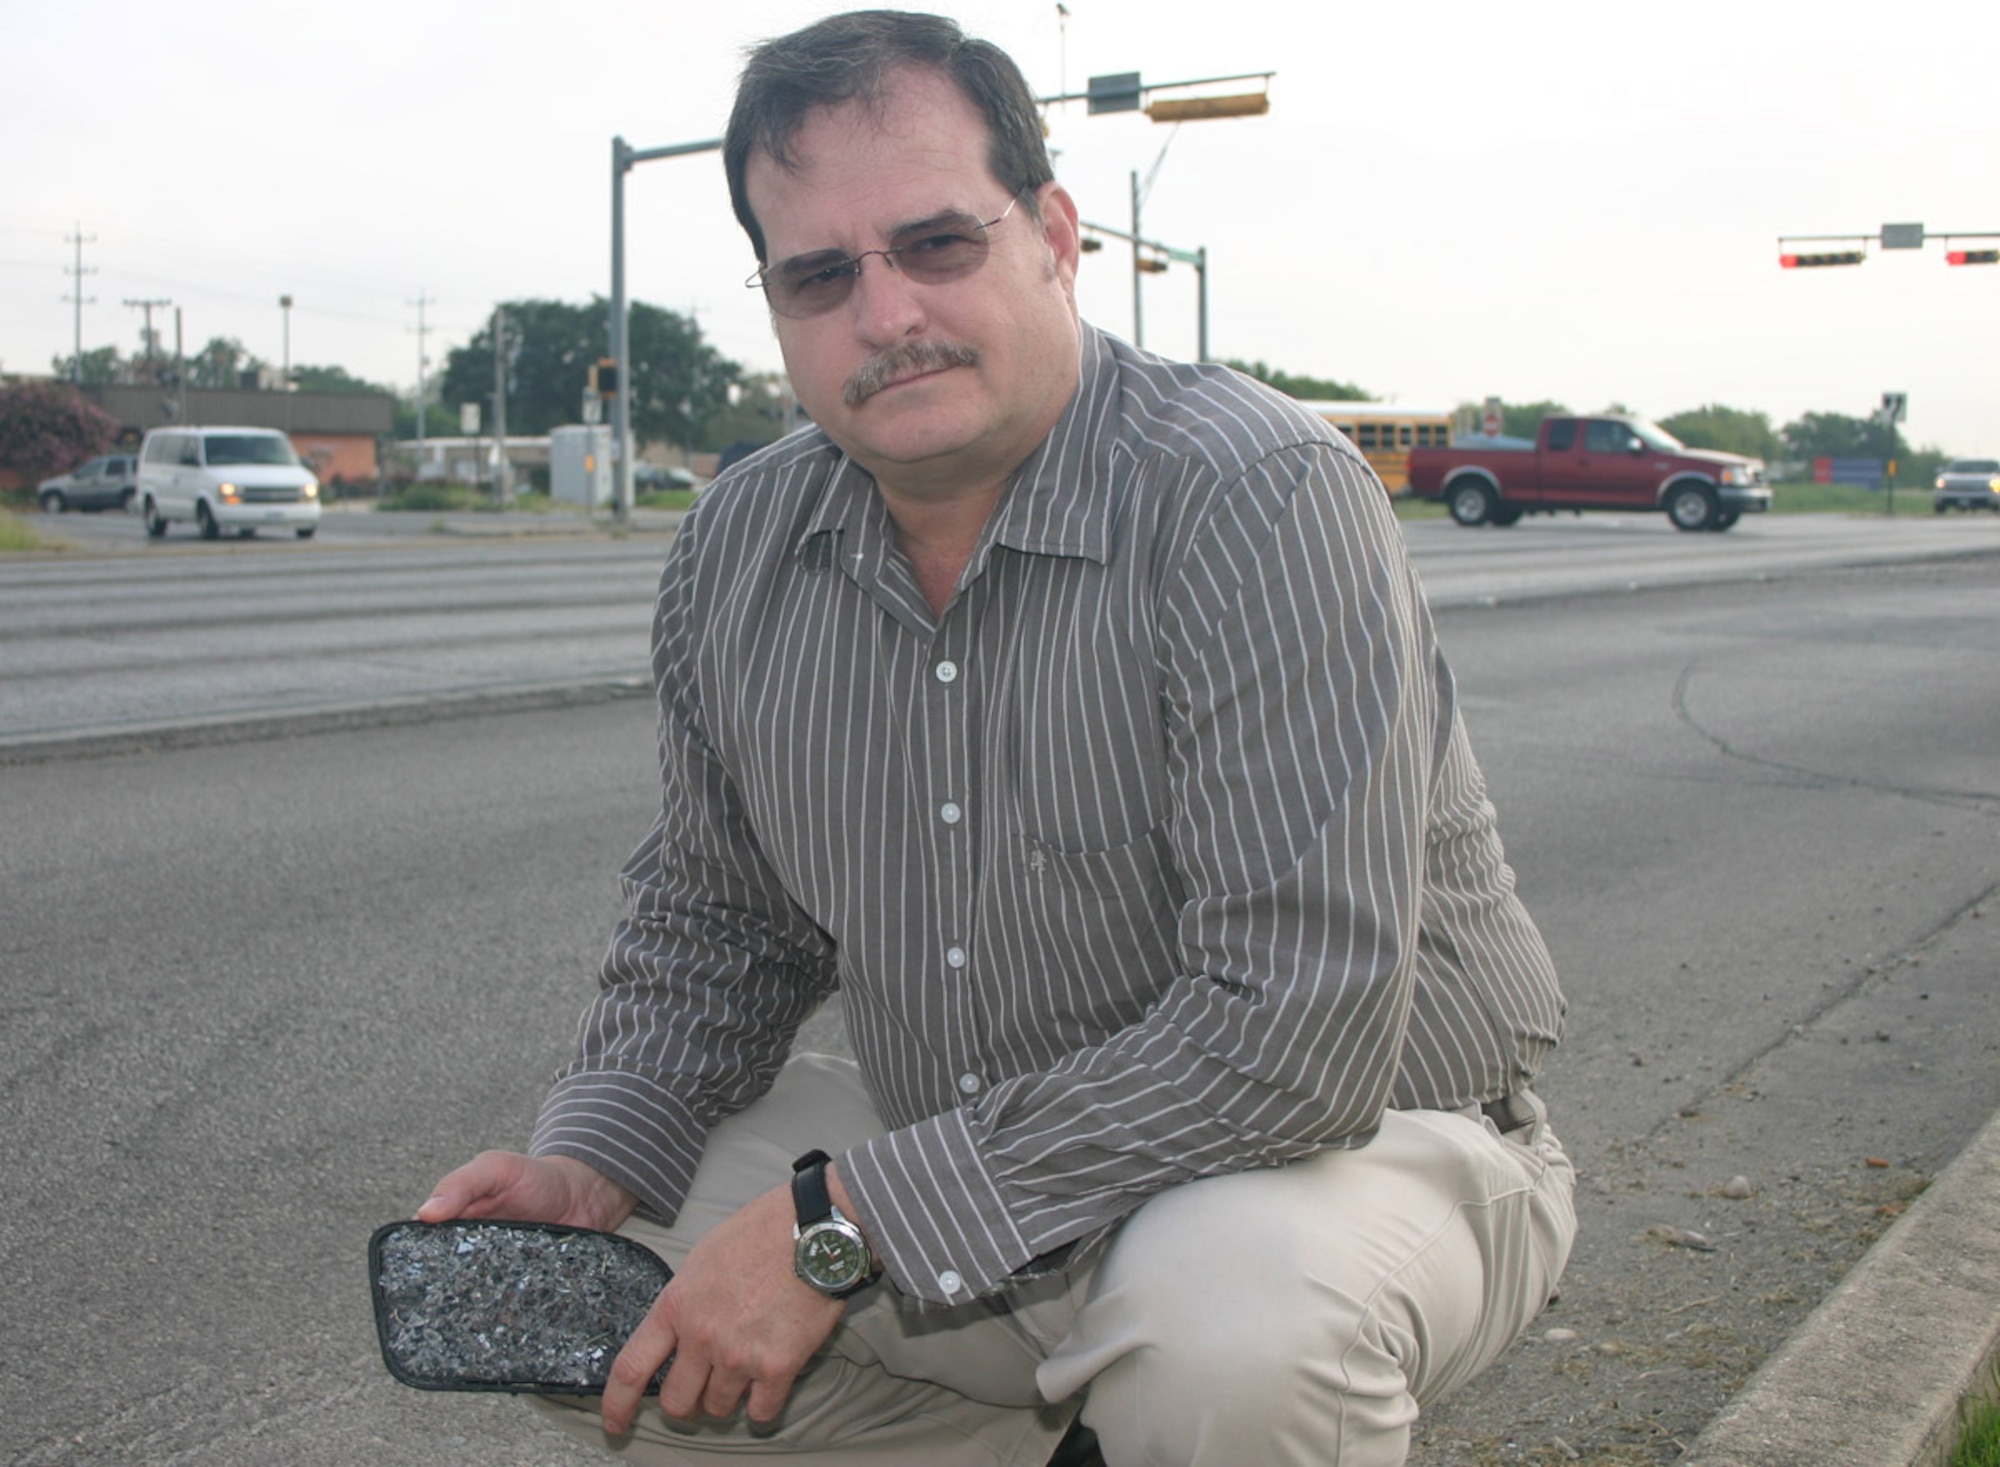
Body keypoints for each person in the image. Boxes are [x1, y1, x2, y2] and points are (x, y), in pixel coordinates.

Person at [418, 11, 1575, 1466]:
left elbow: (1300, 1029)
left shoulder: (1258, 496)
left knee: (1230, 1329)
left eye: (936, 244)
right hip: (982, 1165)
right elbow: (723, 921)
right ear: (774, 305)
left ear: (1052, 233)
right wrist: (589, 1160)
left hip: (1348, 1159)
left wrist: (844, 1230)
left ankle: (1190, 1426)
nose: (886, 313)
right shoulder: (738, 546)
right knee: (577, 1298)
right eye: (821, 274)